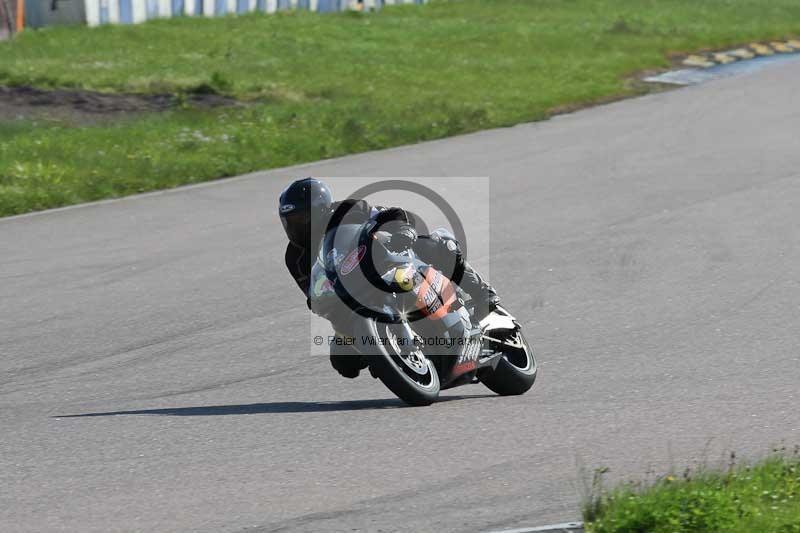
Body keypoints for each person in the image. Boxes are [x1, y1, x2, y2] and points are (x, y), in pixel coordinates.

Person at [279, 177, 500, 377]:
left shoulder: (348, 210)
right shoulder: (294, 257)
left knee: (439, 246)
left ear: (319, 209)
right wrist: (319, 300)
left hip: (386, 265)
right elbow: (312, 292)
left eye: (301, 219)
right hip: (349, 299)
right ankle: (385, 354)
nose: (295, 226)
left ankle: (481, 292)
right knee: (343, 362)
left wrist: (402, 229)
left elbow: (390, 214)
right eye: (290, 221)